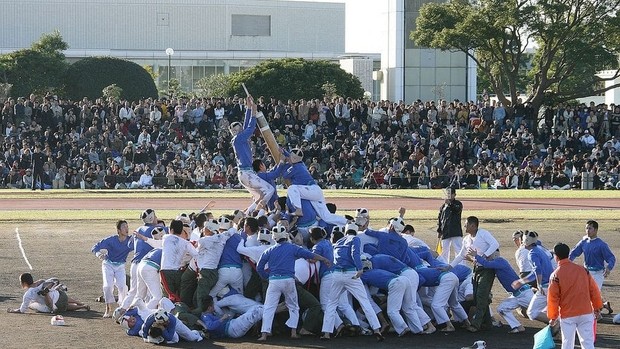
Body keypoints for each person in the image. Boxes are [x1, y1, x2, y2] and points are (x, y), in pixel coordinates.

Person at [256, 224, 331, 341]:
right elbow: (309, 255)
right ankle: (293, 332)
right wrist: (324, 259)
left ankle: (264, 334)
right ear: (286, 236)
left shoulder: (269, 250)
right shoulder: (292, 248)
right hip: (289, 281)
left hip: (274, 281)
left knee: (269, 308)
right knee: (294, 307)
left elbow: (259, 267)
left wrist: (267, 276)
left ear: (274, 237)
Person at [320, 224, 385, 341]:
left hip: (337, 274)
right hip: (351, 275)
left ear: (346, 231)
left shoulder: (339, 241)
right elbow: (354, 253)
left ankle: (326, 333)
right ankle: (377, 330)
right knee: (365, 302)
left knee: (331, 303)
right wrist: (360, 268)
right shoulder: (355, 239)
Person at [450, 216, 500, 332]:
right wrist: (450, 266)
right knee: (478, 297)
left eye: (466, 224)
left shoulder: (483, 233)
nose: (464, 226)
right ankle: (487, 322)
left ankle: (476, 324)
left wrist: (483, 256)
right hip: (476, 269)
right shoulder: (466, 239)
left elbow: (495, 244)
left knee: (481, 295)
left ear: (473, 226)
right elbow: (461, 255)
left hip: (487, 269)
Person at [548, 243, 603, 349]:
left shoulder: (555, 275)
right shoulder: (583, 270)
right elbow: (594, 290)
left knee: (567, 343)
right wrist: (597, 308)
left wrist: (553, 316)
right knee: (587, 343)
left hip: (568, 314)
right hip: (586, 312)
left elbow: (553, 298)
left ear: (556, 257)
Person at [469, 249, 533, 334]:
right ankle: (517, 326)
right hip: (516, 295)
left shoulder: (500, 261)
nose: (487, 256)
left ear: (496, 254)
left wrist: (476, 255)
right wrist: (472, 259)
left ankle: (555, 327)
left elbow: (486, 264)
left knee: (539, 311)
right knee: (502, 309)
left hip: (524, 293)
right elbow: (484, 265)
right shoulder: (496, 264)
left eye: (488, 254)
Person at [281, 148, 348, 226]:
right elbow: (293, 157)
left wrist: (282, 162)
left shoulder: (296, 167)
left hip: (312, 190)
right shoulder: (301, 164)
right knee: (326, 217)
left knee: (292, 188)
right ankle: (347, 222)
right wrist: (285, 153)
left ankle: (298, 209)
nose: (289, 158)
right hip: (314, 192)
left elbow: (285, 175)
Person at [231, 94, 275, 212]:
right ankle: (259, 212)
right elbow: (250, 128)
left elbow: (246, 126)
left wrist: (249, 107)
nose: (241, 129)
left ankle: (247, 214)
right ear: (234, 131)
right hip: (247, 173)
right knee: (270, 190)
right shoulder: (238, 139)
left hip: (245, 173)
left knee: (259, 196)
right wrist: (254, 113)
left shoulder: (239, 138)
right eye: (238, 128)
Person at [569, 220, 615, 314]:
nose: (587, 230)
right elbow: (573, 253)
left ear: (596, 230)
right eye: (586, 228)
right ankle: (603, 305)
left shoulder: (601, 245)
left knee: (593, 294)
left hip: (598, 274)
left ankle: (595, 314)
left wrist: (609, 268)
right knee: (585, 293)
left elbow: (611, 258)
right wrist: (567, 264)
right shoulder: (583, 242)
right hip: (586, 273)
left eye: (590, 228)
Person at [91, 219, 134, 317]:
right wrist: (99, 254)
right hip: (108, 265)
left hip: (120, 266)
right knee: (107, 286)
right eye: (124, 227)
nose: (126, 229)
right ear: (118, 230)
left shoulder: (130, 241)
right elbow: (95, 247)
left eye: (127, 226)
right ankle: (108, 308)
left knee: (122, 286)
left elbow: (140, 245)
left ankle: (122, 307)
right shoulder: (111, 240)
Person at [511, 231, 555, 323]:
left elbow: (537, 270)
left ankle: (557, 323)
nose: (522, 243)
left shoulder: (532, 254)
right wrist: (522, 281)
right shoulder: (539, 250)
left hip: (545, 286)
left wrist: (538, 285)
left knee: (532, 313)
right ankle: (557, 326)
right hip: (552, 284)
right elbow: (535, 272)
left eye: (523, 241)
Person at [7, 273, 89, 314]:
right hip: (62, 295)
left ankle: (81, 307)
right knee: (57, 295)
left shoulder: (28, 294)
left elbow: (22, 310)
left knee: (31, 305)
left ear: (24, 283)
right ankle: (79, 303)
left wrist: (13, 310)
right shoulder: (41, 281)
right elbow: (54, 280)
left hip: (56, 306)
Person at [160, 219, 198, 302]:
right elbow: (196, 255)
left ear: (171, 230)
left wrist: (145, 239)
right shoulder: (185, 243)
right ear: (181, 231)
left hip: (165, 271)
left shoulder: (165, 237)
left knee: (167, 296)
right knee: (176, 295)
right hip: (177, 272)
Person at [198, 295, 263, 339]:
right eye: (213, 306)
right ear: (209, 308)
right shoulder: (205, 316)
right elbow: (210, 326)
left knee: (256, 310)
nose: (214, 307)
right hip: (232, 328)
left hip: (233, 327)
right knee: (258, 309)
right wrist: (222, 318)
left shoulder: (209, 315)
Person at [437, 187, 463, 263]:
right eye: (447, 194)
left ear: (454, 195)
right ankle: (444, 265)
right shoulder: (443, 206)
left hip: (455, 230)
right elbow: (440, 218)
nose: (448, 195)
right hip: (445, 231)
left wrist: (450, 204)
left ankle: (461, 266)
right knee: (444, 251)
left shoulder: (458, 203)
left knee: (458, 250)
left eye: (450, 194)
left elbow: (457, 210)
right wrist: (439, 230)